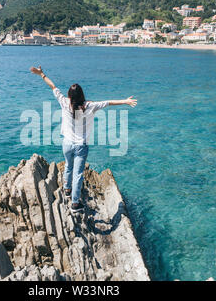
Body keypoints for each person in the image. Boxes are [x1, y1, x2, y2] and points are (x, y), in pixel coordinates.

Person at [30, 66, 137, 213]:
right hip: (81, 146)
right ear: (82, 95)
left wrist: (41, 74)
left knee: (68, 166)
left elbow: (53, 86)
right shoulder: (90, 106)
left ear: (69, 94)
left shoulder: (64, 102)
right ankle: (75, 203)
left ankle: (67, 189)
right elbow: (109, 102)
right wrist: (125, 101)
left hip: (67, 143)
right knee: (78, 174)